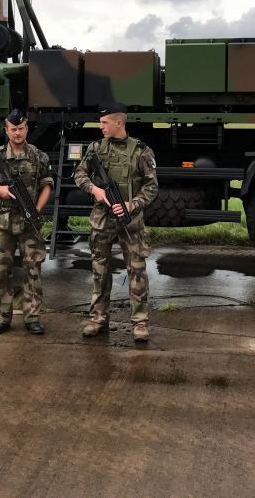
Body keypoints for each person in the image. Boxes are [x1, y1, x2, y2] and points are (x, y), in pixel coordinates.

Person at [73, 101, 158, 342]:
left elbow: (152, 187)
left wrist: (132, 204)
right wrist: (94, 190)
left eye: (104, 123)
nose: (100, 126)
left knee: (137, 270)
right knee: (100, 270)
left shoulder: (141, 151)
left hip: (130, 221)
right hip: (102, 219)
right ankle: (98, 318)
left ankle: (140, 323)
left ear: (118, 123)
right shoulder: (96, 149)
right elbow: (79, 173)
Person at [0, 109, 54, 335]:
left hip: (30, 224)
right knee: (1, 271)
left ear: (27, 128)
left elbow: (47, 186)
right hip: (3, 224)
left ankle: (32, 317)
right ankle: (3, 317)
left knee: (33, 270)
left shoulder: (39, 157)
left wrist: (36, 211)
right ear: (7, 130)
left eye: (21, 128)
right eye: (14, 129)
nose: (18, 133)